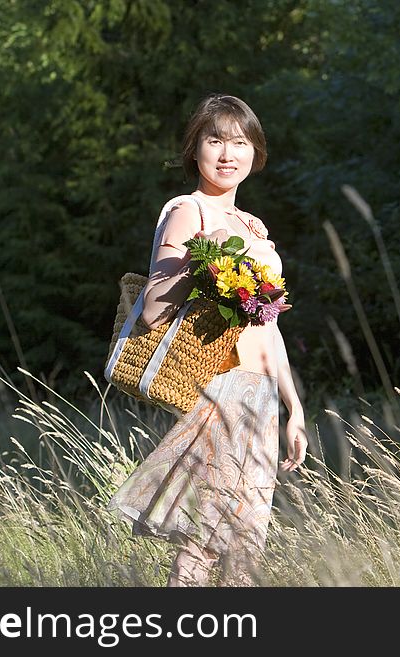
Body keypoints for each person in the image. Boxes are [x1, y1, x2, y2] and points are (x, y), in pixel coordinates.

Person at [105, 93, 308, 586]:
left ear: (255, 153)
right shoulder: (185, 211)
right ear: (194, 148)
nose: (226, 153)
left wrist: (294, 406)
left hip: (259, 397)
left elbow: (267, 326)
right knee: (206, 537)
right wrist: (204, 259)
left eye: (239, 142)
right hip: (218, 390)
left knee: (246, 540)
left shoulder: (252, 226)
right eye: (214, 139)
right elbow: (152, 309)